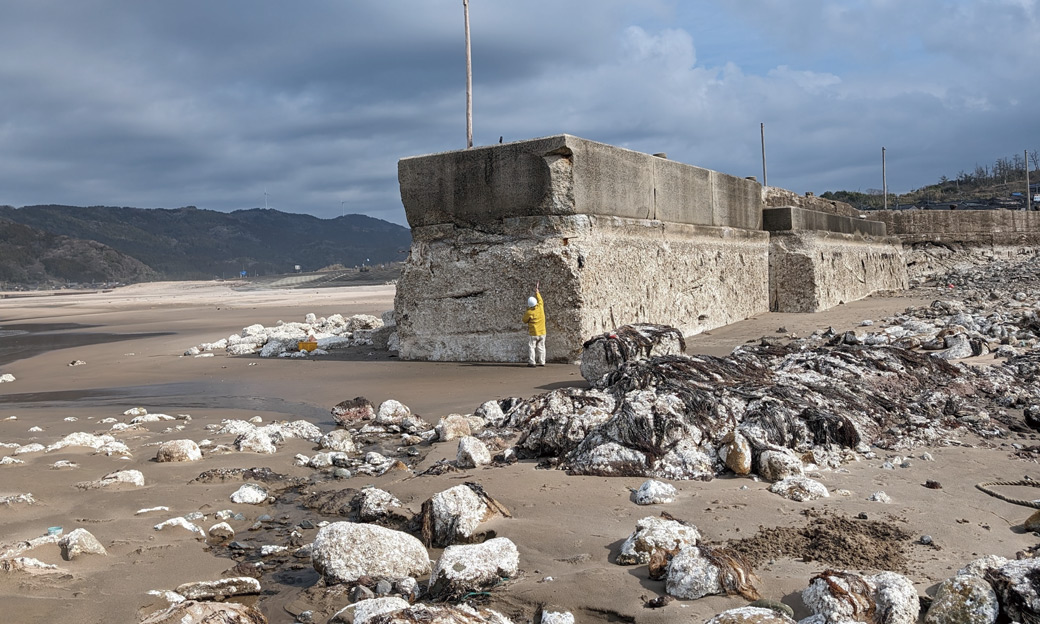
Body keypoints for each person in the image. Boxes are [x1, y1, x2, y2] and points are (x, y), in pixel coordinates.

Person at [522, 282, 546, 367]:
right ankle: (542, 361)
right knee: (541, 347)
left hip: (534, 333)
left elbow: (524, 320)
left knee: (532, 347)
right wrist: (537, 292)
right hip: (542, 331)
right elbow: (540, 300)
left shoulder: (529, 312)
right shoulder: (540, 307)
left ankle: (532, 362)